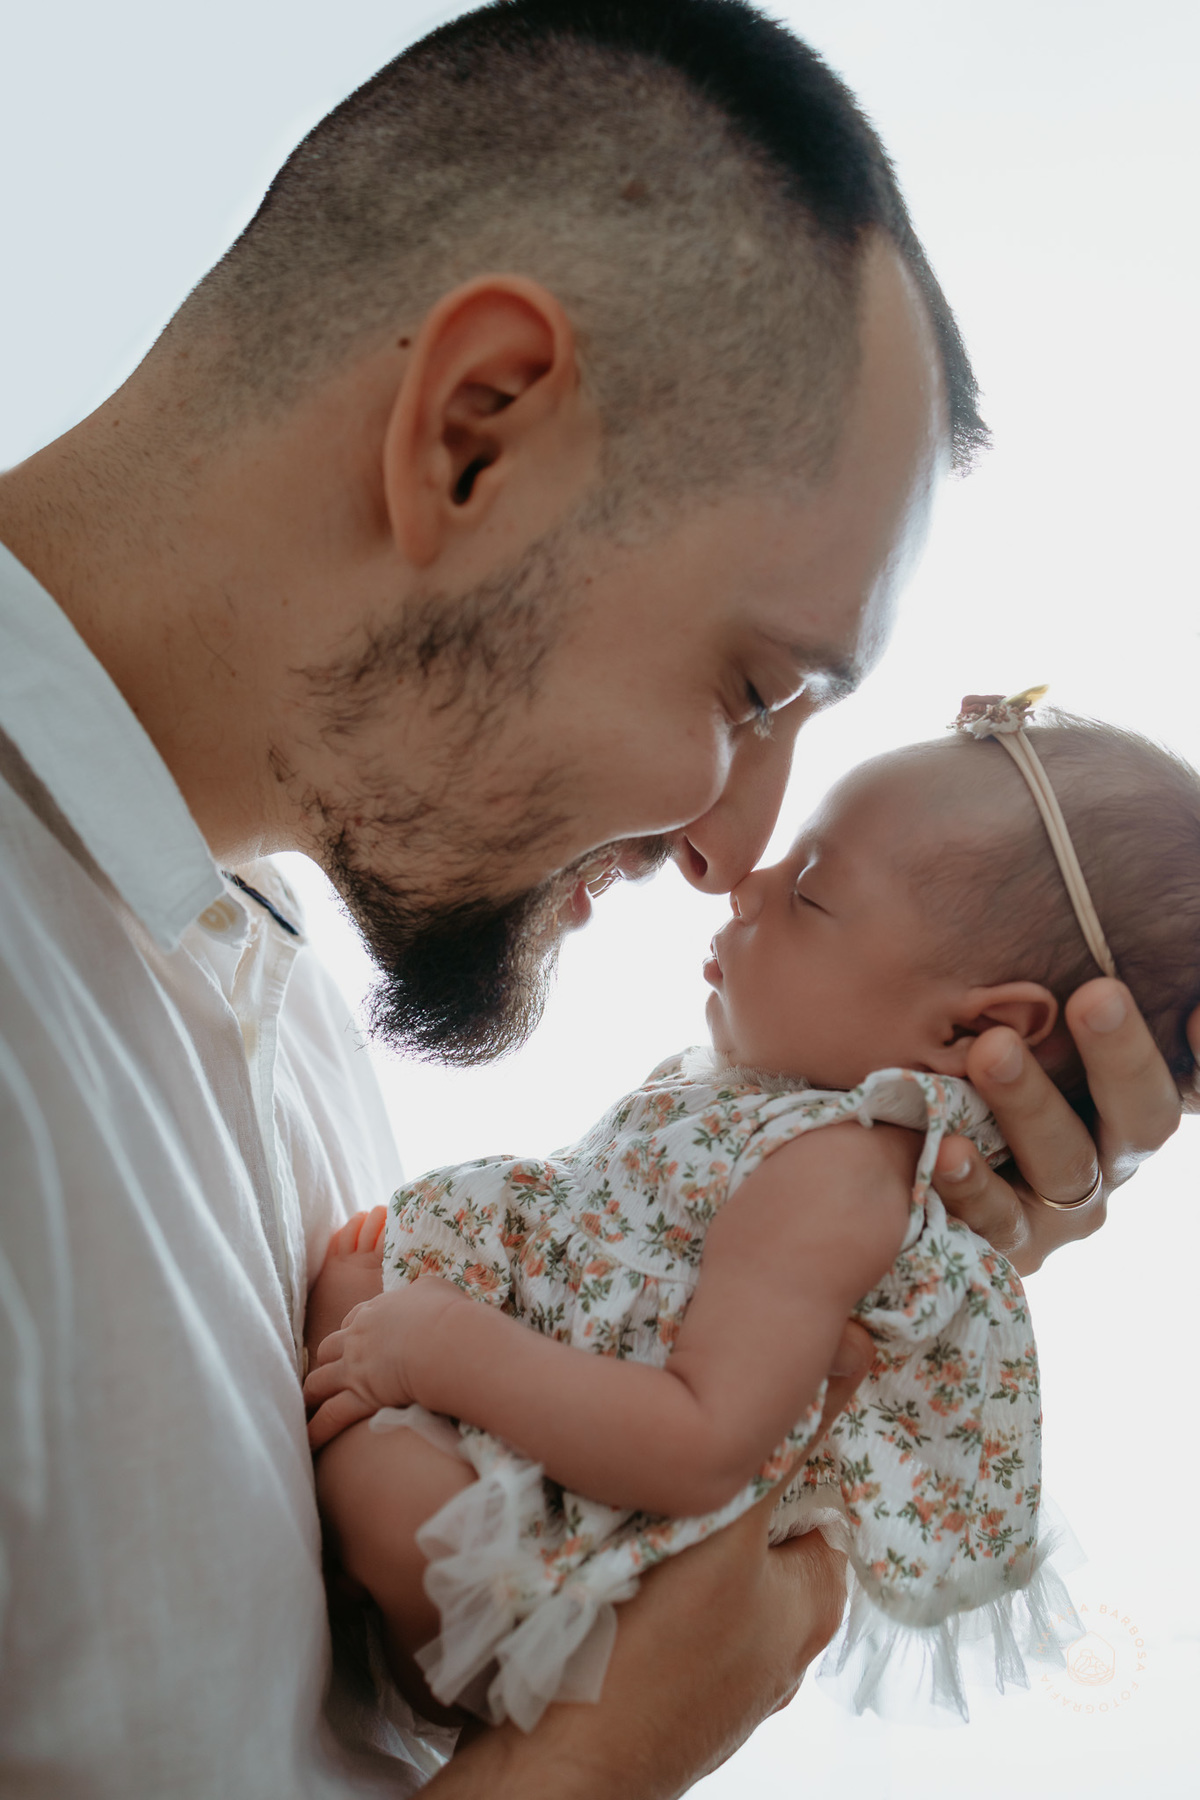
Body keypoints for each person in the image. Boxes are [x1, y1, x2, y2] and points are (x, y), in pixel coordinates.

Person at [0, 3, 1184, 1795]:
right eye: (753, 688)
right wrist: (596, 1771)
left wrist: (879, 1279)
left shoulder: (283, 1032)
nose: (729, 849)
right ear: (472, 437)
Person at [300, 699, 1200, 1735]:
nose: (748, 881)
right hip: (527, 1436)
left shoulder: (839, 1173)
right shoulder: (773, 1110)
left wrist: (442, 1350)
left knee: (385, 1468)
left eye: (813, 892)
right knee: (358, 1299)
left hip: (554, 1560)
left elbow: (699, 1444)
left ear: (979, 1028)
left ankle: (367, 1483)